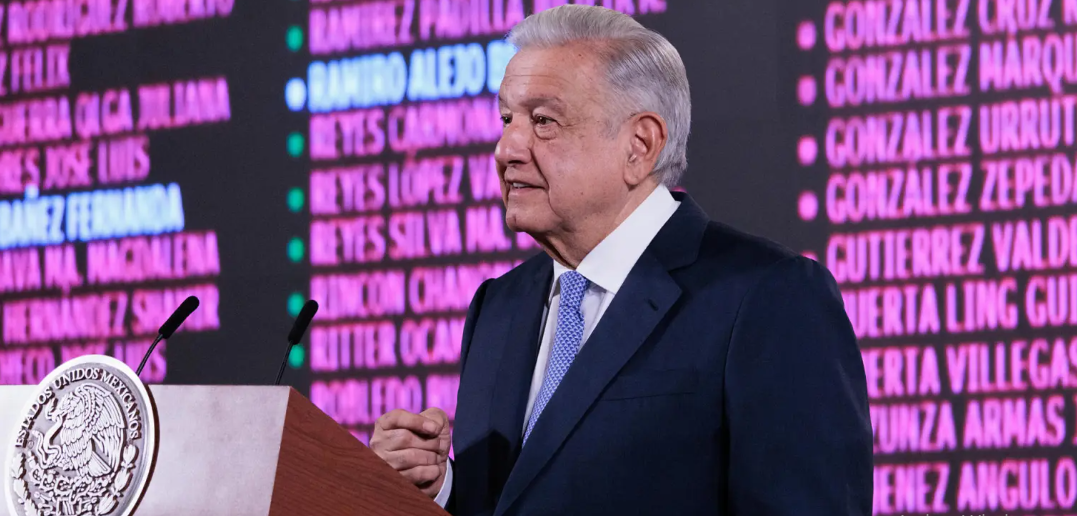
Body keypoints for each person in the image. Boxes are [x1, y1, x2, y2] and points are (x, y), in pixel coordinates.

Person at [370, 5, 872, 515]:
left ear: (640, 145)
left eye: (543, 121)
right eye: (506, 119)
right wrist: (439, 489)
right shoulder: (498, 307)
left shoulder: (766, 296)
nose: (506, 149)